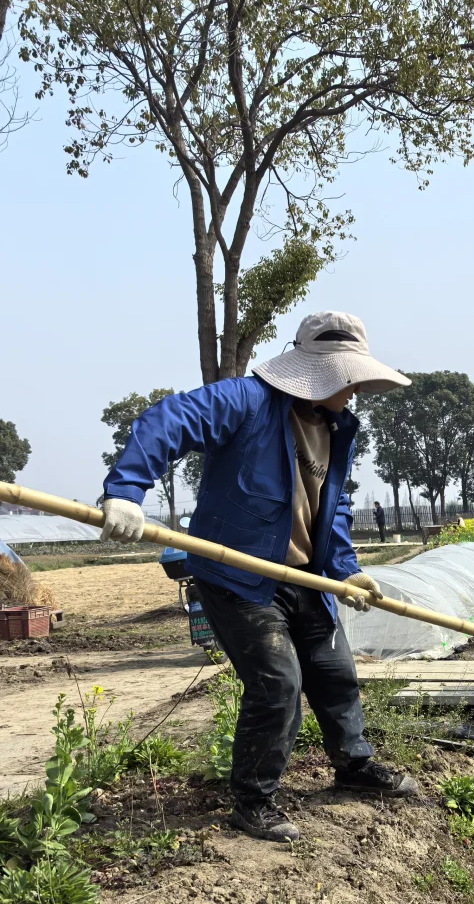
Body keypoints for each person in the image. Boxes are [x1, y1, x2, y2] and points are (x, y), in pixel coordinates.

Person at [99, 310, 418, 843]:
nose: (358, 388)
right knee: (277, 685)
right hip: (239, 577)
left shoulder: (340, 428)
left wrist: (347, 571)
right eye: (351, 376)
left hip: (307, 579)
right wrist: (127, 490)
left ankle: (355, 768)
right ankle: (253, 800)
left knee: (335, 674)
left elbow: (329, 508)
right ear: (325, 374)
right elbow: (167, 421)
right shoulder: (245, 402)